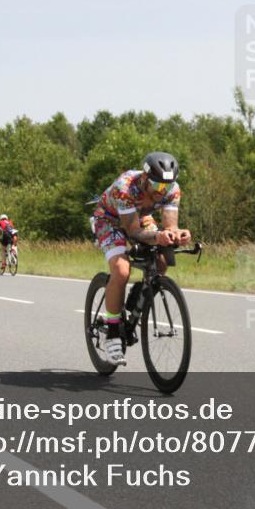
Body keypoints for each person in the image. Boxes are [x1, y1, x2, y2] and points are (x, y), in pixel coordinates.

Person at [87, 152, 192, 365]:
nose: (161, 191)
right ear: (144, 178)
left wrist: (178, 234)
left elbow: (170, 225)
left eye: (167, 186)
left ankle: (139, 296)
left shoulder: (172, 189)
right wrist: (157, 236)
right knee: (121, 270)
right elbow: (133, 231)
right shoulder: (125, 187)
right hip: (109, 220)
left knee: (162, 260)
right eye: (157, 185)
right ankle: (113, 333)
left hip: (140, 217)